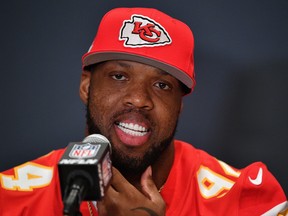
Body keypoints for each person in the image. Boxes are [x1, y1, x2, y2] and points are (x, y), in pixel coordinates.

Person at [0, 7, 287, 216]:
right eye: (119, 77)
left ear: (180, 105)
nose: (138, 99)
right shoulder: (12, 198)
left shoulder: (242, 199)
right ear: (86, 86)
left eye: (162, 85)